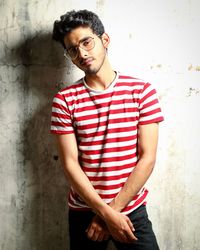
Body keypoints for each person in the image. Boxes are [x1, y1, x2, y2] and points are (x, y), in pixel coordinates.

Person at [51, 9, 164, 250]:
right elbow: (70, 164)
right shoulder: (64, 100)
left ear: (105, 40)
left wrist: (110, 213)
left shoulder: (141, 91)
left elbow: (148, 157)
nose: (81, 53)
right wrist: (103, 212)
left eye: (86, 42)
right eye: (73, 49)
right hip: (84, 212)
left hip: (131, 209)